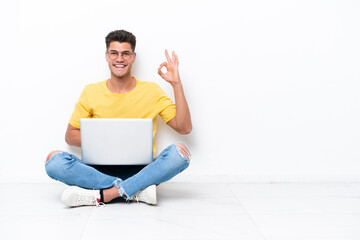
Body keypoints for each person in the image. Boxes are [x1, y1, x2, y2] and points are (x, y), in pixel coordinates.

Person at [45, 30, 192, 207]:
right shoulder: (91, 91)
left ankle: (105, 195)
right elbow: (70, 136)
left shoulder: (152, 91)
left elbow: (184, 128)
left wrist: (176, 84)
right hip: (97, 172)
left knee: (180, 154)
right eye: (114, 53)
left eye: (125, 54)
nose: (119, 59)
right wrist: (109, 140)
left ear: (133, 57)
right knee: (53, 161)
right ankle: (135, 190)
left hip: (141, 170)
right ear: (107, 56)